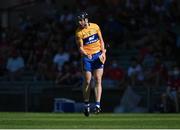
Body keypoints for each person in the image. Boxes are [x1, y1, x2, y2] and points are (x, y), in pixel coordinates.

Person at [75, 11, 106, 117]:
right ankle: (86, 104)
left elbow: (101, 41)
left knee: (98, 79)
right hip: (87, 58)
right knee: (88, 81)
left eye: (81, 20)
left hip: (98, 55)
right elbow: (80, 48)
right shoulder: (79, 33)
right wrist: (86, 54)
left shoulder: (95, 27)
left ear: (86, 20)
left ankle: (97, 105)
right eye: (78, 20)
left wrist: (103, 53)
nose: (79, 22)